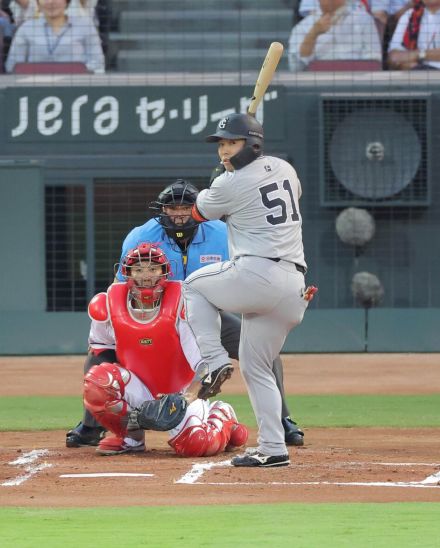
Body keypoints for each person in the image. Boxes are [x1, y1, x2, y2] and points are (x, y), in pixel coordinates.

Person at [66, 180, 305, 448]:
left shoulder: (223, 233)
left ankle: (282, 421)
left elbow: (248, 272)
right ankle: (91, 425)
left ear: (198, 208)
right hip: (154, 316)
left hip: (209, 315)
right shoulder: (140, 236)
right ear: (162, 211)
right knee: (96, 362)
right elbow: (120, 286)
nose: (178, 213)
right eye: (171, 208)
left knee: (262, 352)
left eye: (185, 207)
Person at [182, 113, 317, 468]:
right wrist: (226, 178)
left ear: (253, 144)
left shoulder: (229, 183)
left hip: (257, 273)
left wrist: (217, 184)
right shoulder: (284, 168)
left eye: (231, 143)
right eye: (222, 144)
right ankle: (274, 448)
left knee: (193, 286)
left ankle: (213, 362)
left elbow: (197, 214)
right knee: (257, 368)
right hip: (293, 287)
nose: (224, 151)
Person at [82, 242, 248, 456]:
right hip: (137, 387)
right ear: (127, 273)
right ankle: (130, 439)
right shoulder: (107, 303)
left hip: (181, 391)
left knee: (195, 445)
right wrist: (108, 394)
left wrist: (185, 398)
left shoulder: (184, 302)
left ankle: (222, 415)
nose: (146, 276)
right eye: (139, 269)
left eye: (153, 269)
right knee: (98, 381)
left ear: (164, 272)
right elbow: (100, 352)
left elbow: (204, 364)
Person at [5, 0, 105, 73]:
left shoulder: (85, 26)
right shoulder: (26, 28)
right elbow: (12, 66)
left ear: (67, 2)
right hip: (33, 89)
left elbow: (97, 64)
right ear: (38, 2)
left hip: (77, 88)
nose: (51, 2)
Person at [288, 0, 382, 71]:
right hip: (318, 84)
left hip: (356, 83)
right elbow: (296, 67)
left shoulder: (364, 20)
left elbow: (375, 61)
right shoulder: (304, 26)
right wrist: (313, 34)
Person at [387, 0, 440, 70]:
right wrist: (416, 66)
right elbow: (393, 57)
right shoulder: (410, 15)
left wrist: (416, 55)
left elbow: (402, 57)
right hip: (416, 74)